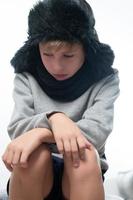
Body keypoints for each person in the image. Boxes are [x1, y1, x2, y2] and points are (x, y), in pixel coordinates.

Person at [2, 0, 120, 200]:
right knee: (33, 157)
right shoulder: (26, 77)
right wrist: (55, 119)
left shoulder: (105, 80)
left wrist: (39, 133)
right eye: (47, 54)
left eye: (68, 55)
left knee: (82, 156)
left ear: (86, 48)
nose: (57, 66)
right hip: (34, 177)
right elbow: (17, 129)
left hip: (83, 175)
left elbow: (96, 133)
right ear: (37, 48)